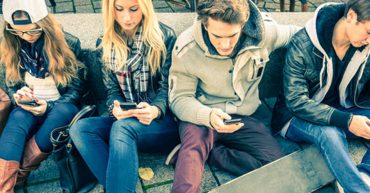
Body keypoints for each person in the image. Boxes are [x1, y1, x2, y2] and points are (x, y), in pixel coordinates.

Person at [168, 0, 299, 192]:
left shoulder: (265, 33)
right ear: (205, 24)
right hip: (201, 116)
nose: (225, 44)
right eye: (217, 36)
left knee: (276, 168)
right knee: (190, 167)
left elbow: (301, 35)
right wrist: (208, 116)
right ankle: (196, 152)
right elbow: (179, 98)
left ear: (244, 22)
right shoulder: (186, 47)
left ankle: (211, 153)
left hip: (243, 116)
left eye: (232, 35)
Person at [69, 0, 179, 192]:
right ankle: (120, 184)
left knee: (121, 128)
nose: (126, 17)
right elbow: (112, 92)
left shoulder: (165, 37)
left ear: (145, 7)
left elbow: (168, 88)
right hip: (129, 120)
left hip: (162, 122)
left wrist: (154, 110)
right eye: (119, 9)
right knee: (80, 129)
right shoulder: (105, 42)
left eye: (134, 9)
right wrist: (115, 108)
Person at [272, 1, 370, 192]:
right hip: (295, 117)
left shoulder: (363, 46)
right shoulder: (303, 44)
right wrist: (347, 121)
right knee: (331, 134)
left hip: (340, 107)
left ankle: (364, 174)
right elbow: (296, 101)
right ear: (351, 16)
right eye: (368, 32)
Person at [0, 0, 84, 191]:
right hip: (30, 104)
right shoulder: (12, 42)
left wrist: (49, 107)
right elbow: (12, 83)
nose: (26, 36)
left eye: (32, 30)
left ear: (44, 24)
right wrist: (18, 95)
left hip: (60, 105)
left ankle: (19, 175)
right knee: (17, 118)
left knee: (62, 111)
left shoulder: (68, 43)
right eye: (19, 31)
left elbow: (76, 91)